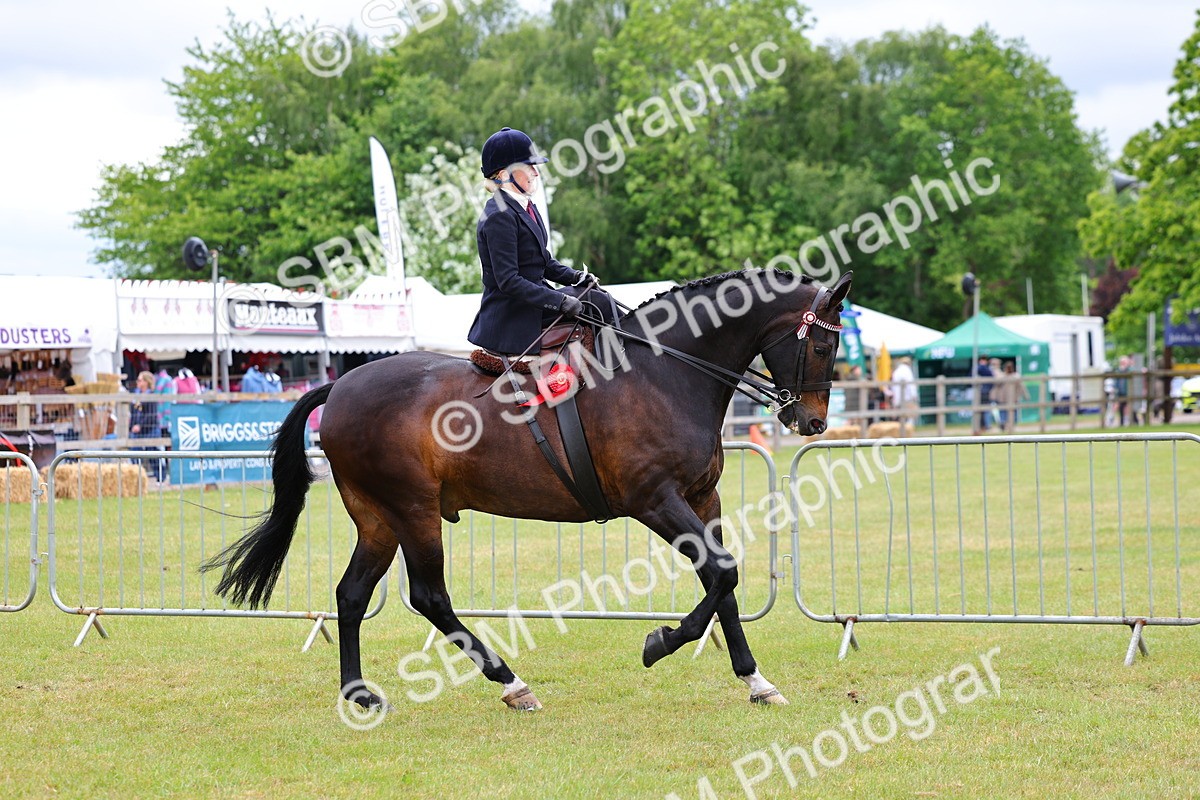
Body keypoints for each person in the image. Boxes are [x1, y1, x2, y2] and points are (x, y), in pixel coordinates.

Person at [468, 127, 616, 356]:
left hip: (532, 301)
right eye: (529, 167)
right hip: (513, 313)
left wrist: (576, 276)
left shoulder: (524, 207)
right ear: (504, 175)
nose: (536, 173)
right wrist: (560, 301)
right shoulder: (499, 215)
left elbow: (543, 262)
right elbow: (508, 281)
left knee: (599, 297)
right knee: (598, 303)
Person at [131, 371, 165, 481]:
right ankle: (137, 478)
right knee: (134, 452)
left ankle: (161, 478)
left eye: (140, 380)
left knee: (153, 453)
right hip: (138, 431)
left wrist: (140, 425)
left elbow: (151, 415)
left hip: (151, 428)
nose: (137, 382)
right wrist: (132, 426)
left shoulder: (151, 396)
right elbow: (134, 413)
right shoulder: (136, 396)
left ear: (146, 382)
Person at [994, 361, 1029, 432]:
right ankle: (1007, 424)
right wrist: (1026, 396)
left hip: (1008, 398)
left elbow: (1021, 387)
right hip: (1008, 398)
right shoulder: (1009, 376)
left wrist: (1025, 395)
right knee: (1008, 412)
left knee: (1006, 412)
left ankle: (1007, 425)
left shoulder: (1012, 376)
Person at [889, 356, 918, 436]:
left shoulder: (896, 371)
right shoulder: (907, 371)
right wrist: (914, 395)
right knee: (910, 415)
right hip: (907, 397)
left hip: (898, 397)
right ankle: (909, 431)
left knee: (901, 416)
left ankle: (902, 432)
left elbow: (893, 386)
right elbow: (910, 384)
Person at [974, 356, 994, 434]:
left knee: (985, 409)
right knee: (981, 410)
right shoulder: (981, 368)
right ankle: (982, 426)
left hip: (984, 392)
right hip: (980, 392)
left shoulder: (982, 368)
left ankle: (986, 426)